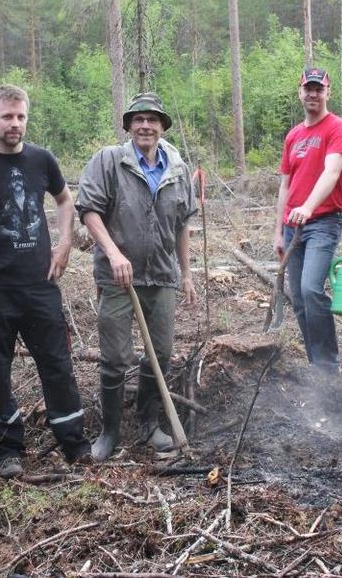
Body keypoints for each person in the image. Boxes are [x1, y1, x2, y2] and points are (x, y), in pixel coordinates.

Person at [0, 84, 91, 478]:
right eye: (7, 116)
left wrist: (64, 243)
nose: (15, 123)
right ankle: (9, 448)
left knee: (57, 363)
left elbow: (65, 200)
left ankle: (74, 443)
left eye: (21, 116)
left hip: (40, 285)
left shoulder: (42, 160)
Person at [76, 92, 198, 462]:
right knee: (114, 355)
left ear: (162, 126)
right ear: (129, 125)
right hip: (117, 277)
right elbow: (89, 211)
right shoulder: (109, 162)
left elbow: (182, 226)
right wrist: (114, 253)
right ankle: (109, 432)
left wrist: (186, 274)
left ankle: (150, 426)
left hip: (161, 276)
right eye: (138, 119)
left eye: (153, 119)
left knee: (159, 355)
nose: (145, 125)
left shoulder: (176, 168)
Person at [273, 67, 342, 374]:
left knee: (311, 289)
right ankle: (314, 364)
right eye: (308, 88)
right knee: (297, 299)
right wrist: (278, 231)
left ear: (327, 93)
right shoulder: (294, 135)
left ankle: (328, 367)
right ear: (300, 92)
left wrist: (308, 207)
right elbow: (285, 186)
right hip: (291, 227)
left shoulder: (338, 129)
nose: (313, 94)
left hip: (322, 222)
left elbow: (332, 172)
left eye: (318, 89)